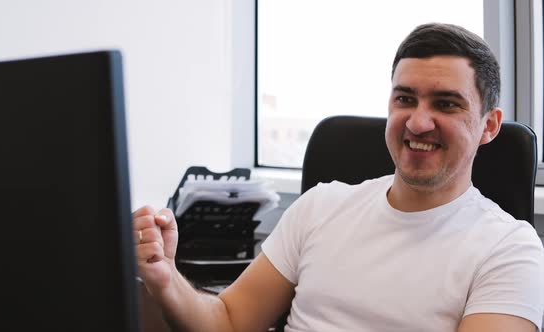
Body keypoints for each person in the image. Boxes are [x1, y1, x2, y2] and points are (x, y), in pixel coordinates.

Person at [133, 23, 544, 332]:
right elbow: (227, 320)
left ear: (489, 126)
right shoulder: (321, 206)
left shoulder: (509, 249)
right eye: (405, 99)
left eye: (446, 104)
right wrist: (166, 278)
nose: (418, 122)